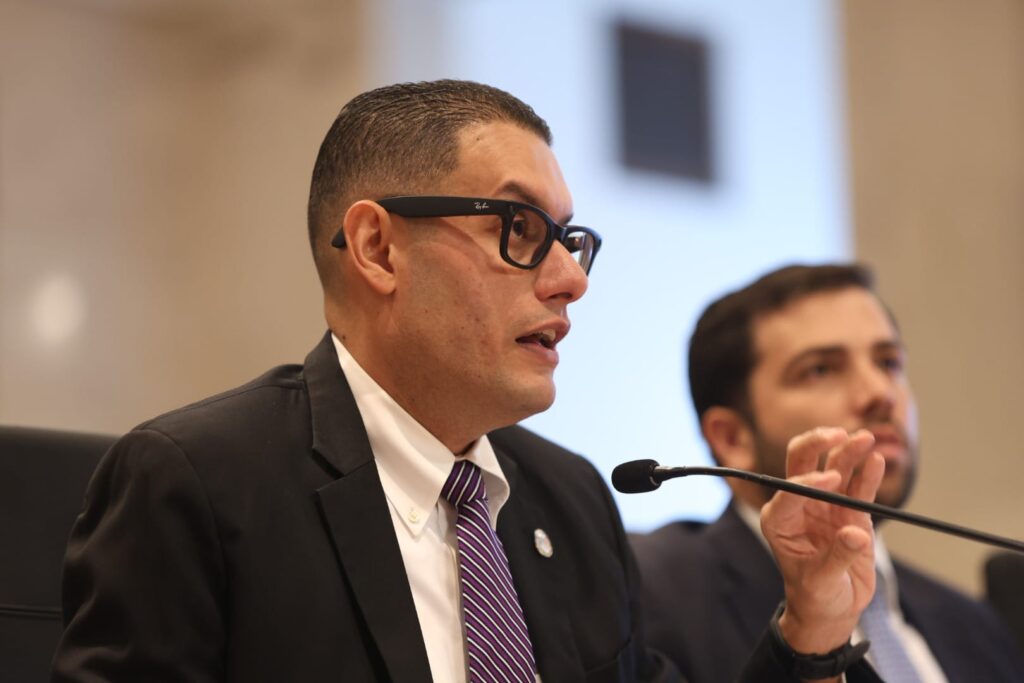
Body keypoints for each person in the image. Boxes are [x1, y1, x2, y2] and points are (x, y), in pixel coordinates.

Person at [53, 81, 884, 682]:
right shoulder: (199, 483)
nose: (570, 278)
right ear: (378, 249)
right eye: (520, 227)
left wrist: (812, 627)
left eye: (571, 239)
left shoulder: (571, 500)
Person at [632, 263, 1024, 683]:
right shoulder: (649, 593)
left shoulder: (975, 625)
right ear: (732, 438)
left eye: (888, 362)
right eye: (821, 369)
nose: (880, 393)